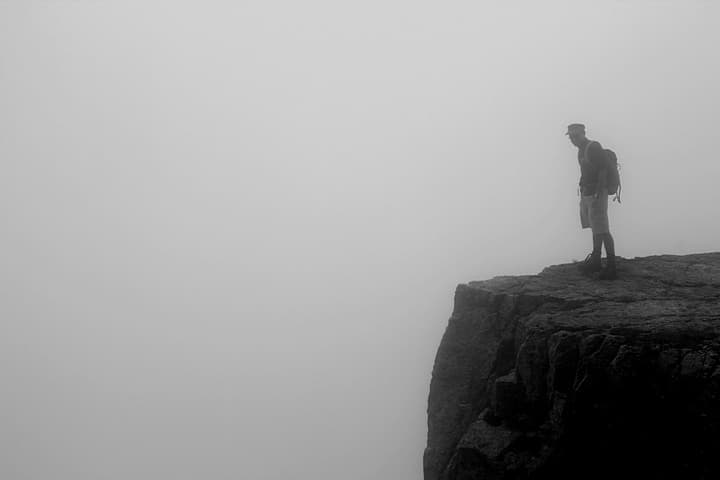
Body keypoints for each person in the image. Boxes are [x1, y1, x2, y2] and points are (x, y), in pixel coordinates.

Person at [566, 123, 617, 280]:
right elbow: (585, 170)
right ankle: (596, 259)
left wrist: (598, 193)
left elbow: (603, 170)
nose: (573, 139)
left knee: (602, 228)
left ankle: (611, 265)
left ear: (583, 133)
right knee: (596, 228)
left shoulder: (593, 147)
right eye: (571, 137)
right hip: (588, 192)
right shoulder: (581, 150)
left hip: (596, 193)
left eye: (576, 136)